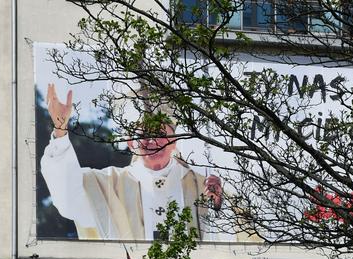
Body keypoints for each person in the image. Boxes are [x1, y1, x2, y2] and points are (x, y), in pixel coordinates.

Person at [40, 84, 223, 241]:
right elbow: (69, 198)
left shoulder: (202, 184)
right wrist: (60, 131)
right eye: (143, 135)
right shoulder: (109, 185)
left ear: (174, 141)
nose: (152, 141)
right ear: (130, 143)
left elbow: (230, 232)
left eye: (160, 134)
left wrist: (218, 205)